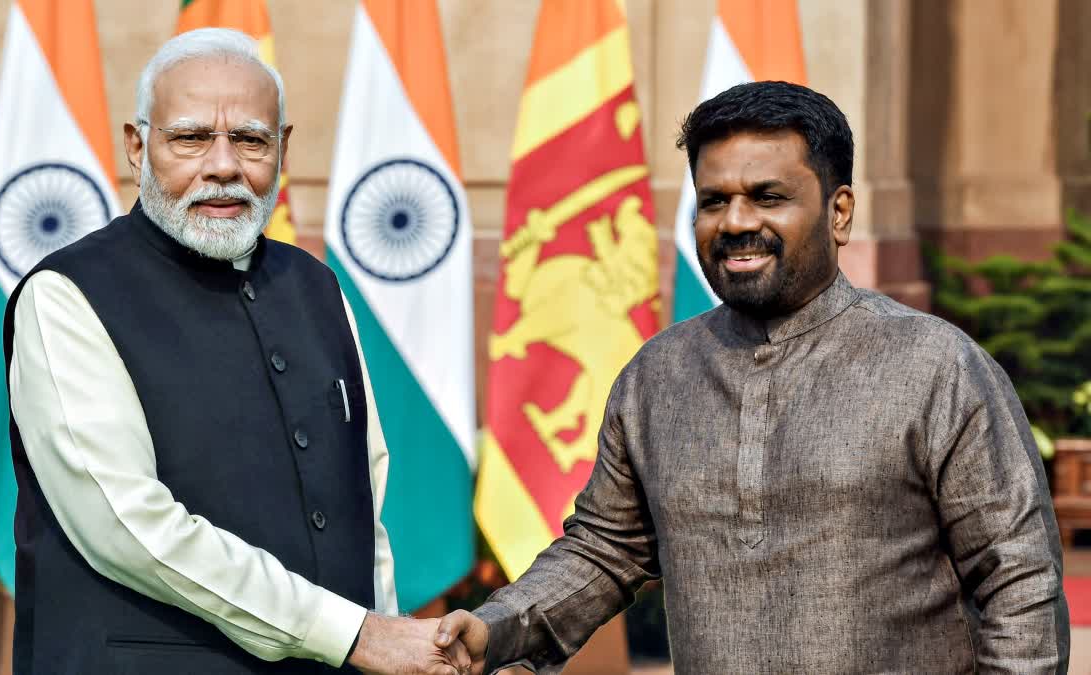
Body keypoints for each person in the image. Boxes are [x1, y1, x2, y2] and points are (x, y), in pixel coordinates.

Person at [434, 81, 1070, 673]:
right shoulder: (657, 377)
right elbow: (605, 550)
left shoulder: (935, 367)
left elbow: (1017, 582)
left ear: (839, 212)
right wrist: (495, 629)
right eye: (714, 201)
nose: (735, 222)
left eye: (768, 197)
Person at [5, 29, 460, 675]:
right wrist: (353, 634)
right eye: (190, 138)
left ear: (282, 148)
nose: (223, 165)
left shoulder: (317, 288)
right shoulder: (66, 296)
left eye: (250, 139)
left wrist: (387, 638)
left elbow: (365, 507)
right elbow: (126, 525)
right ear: (136, 146)